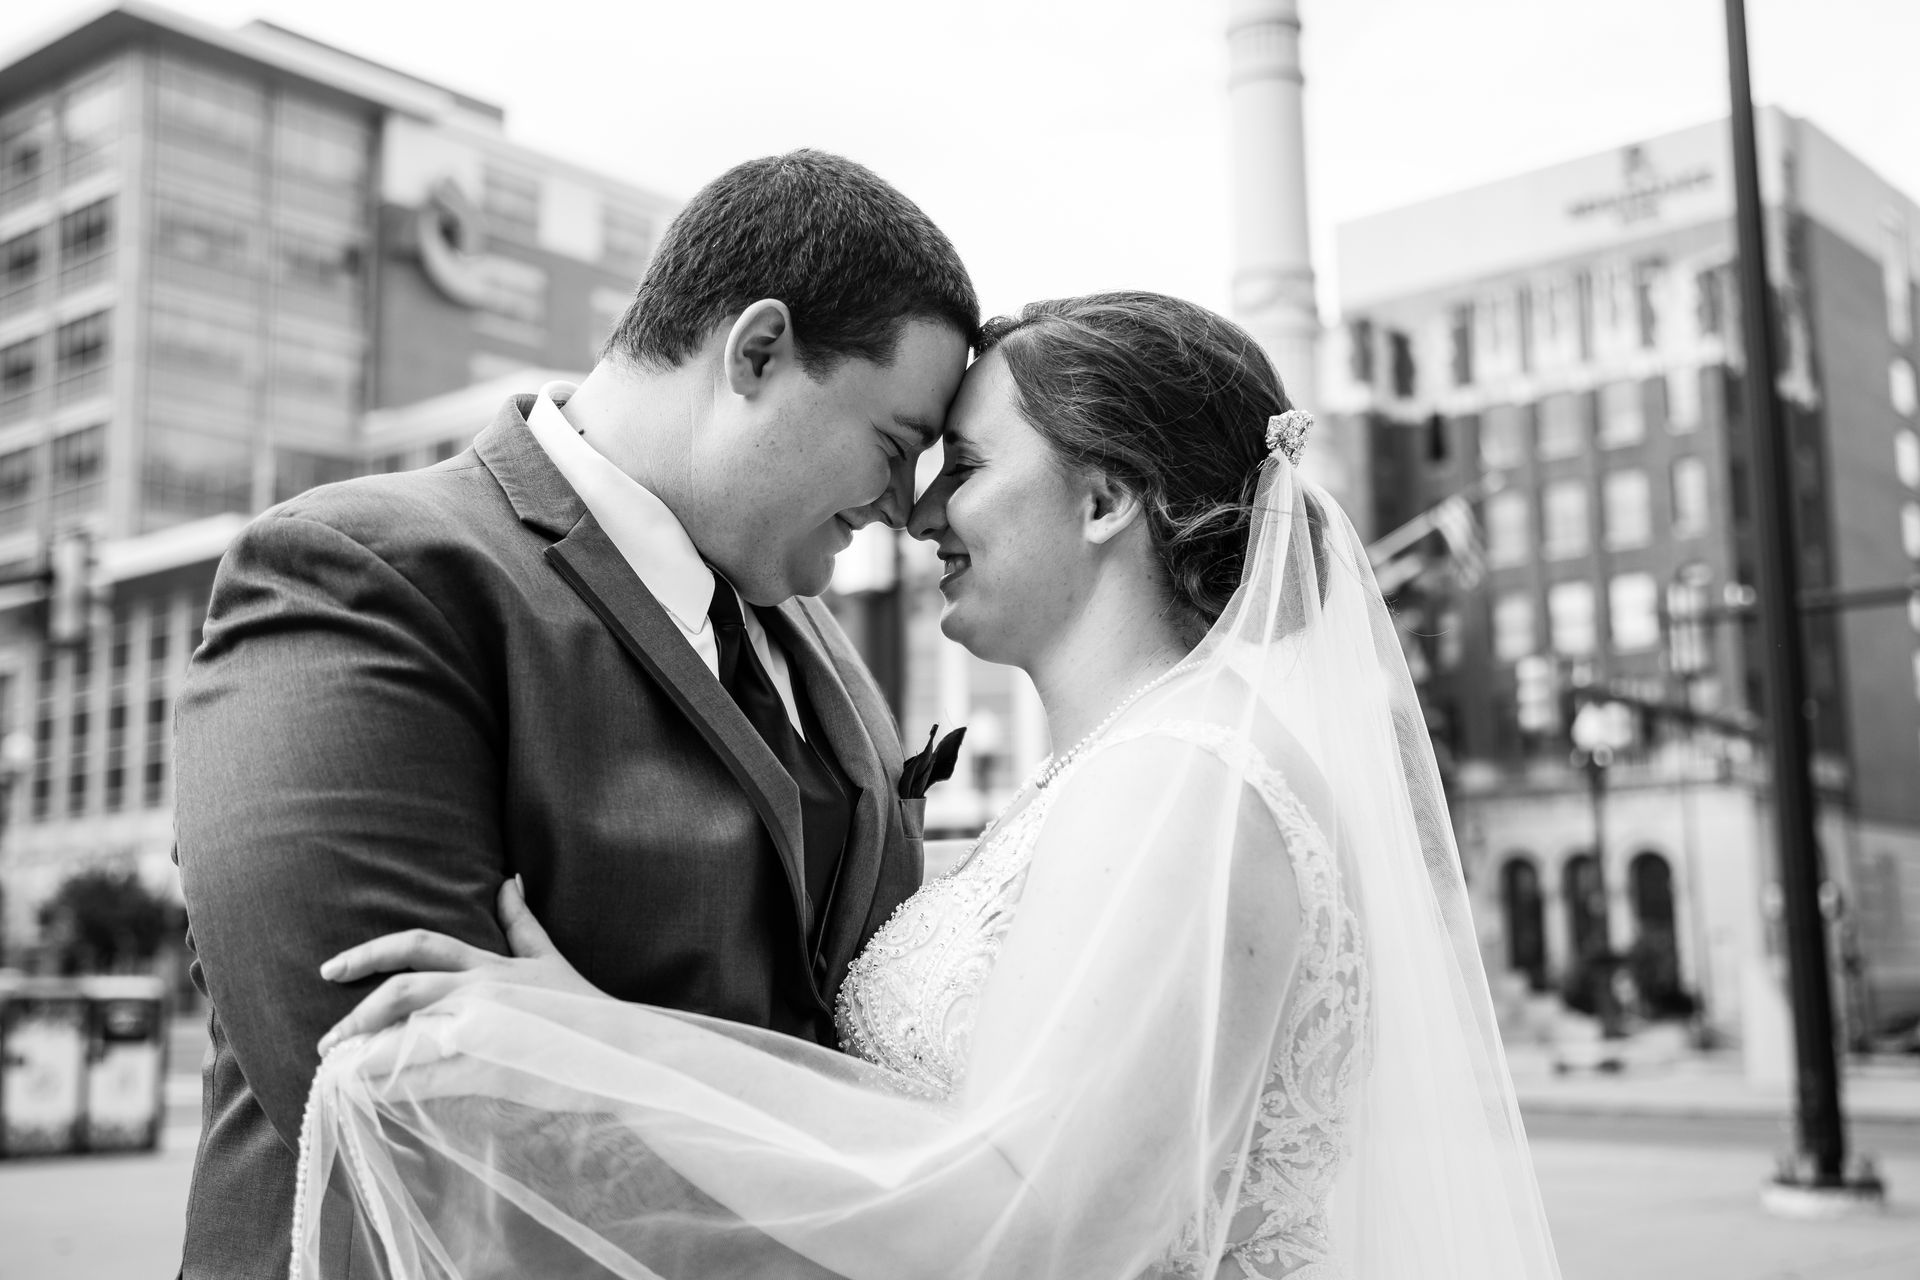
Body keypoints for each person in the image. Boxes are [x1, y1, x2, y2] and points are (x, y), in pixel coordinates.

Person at [296, 293, 1564, 1279]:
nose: (917, 512)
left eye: (961, 463)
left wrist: (584, 1048)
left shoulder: (1190, 783)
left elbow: (1021, 1221)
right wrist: (587, 1027)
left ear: (1108, 496)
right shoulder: (1133, 772)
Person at [171, 150, 976, 1280]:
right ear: (756, 351)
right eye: (894, 447)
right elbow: (408, 1117)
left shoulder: (824, 652)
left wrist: (593, 1044)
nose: (903, 509)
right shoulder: (361, 576)